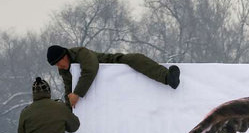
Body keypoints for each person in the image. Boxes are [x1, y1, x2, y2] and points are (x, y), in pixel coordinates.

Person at [46, 45, 181, 108]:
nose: (59, 66)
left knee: (134, 58)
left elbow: (90, 69)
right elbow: (68, 89)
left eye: (59, 62)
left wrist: (77, 94)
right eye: (55, 65)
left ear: (65, 56)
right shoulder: (64, 70)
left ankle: (167, 77)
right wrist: (68, 109)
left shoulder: (81, 52)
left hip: (110, 62)